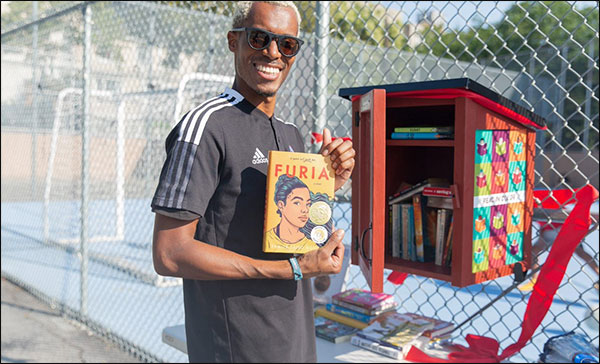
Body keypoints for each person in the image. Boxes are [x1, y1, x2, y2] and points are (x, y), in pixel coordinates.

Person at [151, 1, 356, 362]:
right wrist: (290, 270)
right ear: (234, 41)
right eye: (259, 38)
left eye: (286, 44)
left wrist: (330, 183)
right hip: (237, 348)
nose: (273, 52)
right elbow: (169, 253)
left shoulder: (290, 134)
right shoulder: (205, 127)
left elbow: (277, 225)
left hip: (293, 341)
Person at [265, 174, 318, 251]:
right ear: (281, 205)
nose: (305, 210)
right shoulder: (267, 240)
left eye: (308, 204)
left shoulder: (312, 246)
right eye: (297, 203)